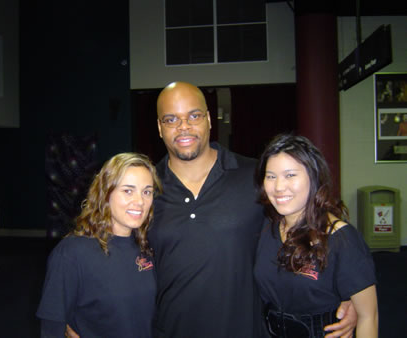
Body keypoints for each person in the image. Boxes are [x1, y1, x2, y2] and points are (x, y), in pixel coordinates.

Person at [147, 81, 357, 338]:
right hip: (170, 330)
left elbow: (306, 223)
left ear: (209, 119)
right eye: (171, 119)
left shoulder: (255, 176)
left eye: (194, 115)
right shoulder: (146, 189)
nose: (184, 126)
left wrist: (348, 293)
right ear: (159, 128)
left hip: (245, 328)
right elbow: (116, 249)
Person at [254, 134, 378, 338]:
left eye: (290, 175)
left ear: (313, 177)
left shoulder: (341, 239)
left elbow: (368, 317)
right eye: (271, 176)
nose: (278, 187)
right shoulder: (267, 227)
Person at [36, 152, 162, 338]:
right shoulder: (72, 253)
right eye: (128, 190)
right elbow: (52, 326)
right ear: (105, 193)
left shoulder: (147, 247)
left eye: (147, 192)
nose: (140, 202)